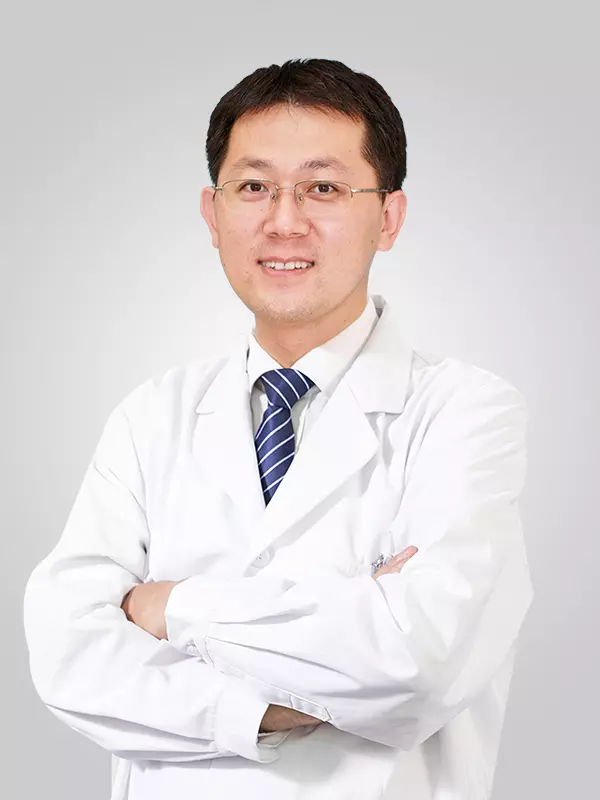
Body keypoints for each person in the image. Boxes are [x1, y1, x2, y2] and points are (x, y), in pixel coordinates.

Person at [23, 58, 534, 800]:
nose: (284, 221)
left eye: (323, 188)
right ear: (213, 214)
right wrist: (279, 704)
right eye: (254, 187)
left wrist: (171, 608)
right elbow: (68, 658)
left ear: (388, 217)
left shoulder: (465, 413)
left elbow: (416, 663)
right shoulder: (151, 416)